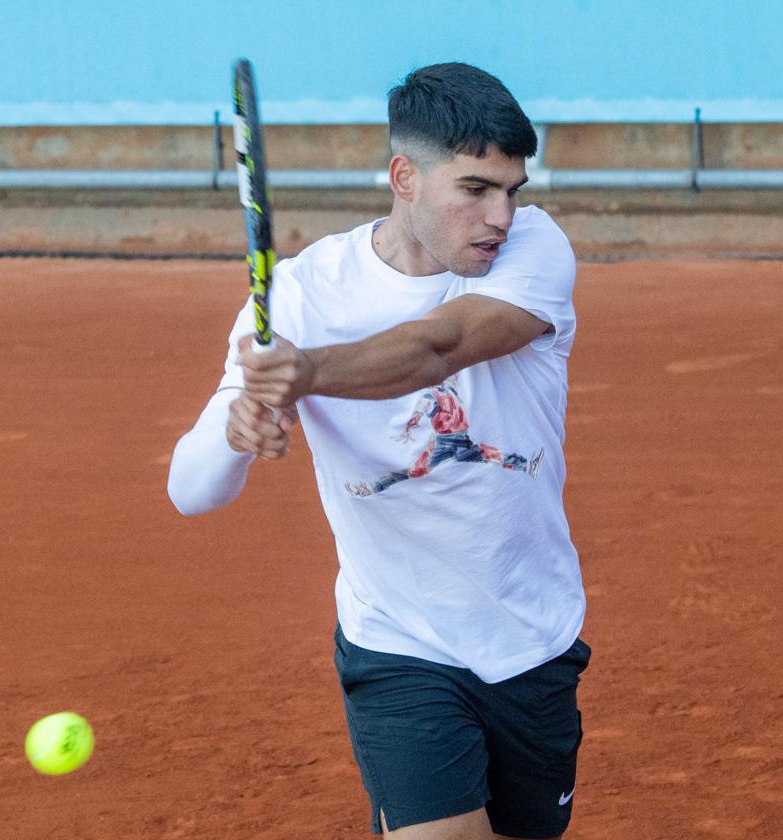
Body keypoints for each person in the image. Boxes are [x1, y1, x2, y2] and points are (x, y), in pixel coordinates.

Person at [167, 62, 589, 840]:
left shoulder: (535, 251)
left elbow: (440, 346)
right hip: (397, 641)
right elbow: (192, 490)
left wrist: (310, 372)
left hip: (529, 635)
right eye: (474, 189)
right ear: (405, 176)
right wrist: (235, 433)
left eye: (512, 189)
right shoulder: (303, 293)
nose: (500, 214)